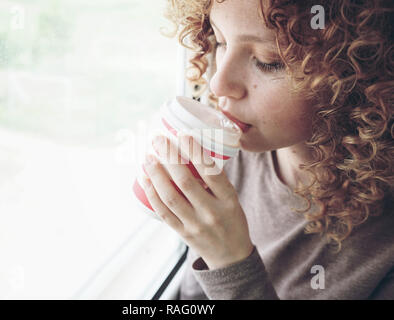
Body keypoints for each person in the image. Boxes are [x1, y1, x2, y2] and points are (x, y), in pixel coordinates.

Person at [141, 0, 393, 299]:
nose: (219, 84)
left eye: (268, 60)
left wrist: (230, 262)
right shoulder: (229, 159)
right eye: (221, 41)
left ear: (355, 75)